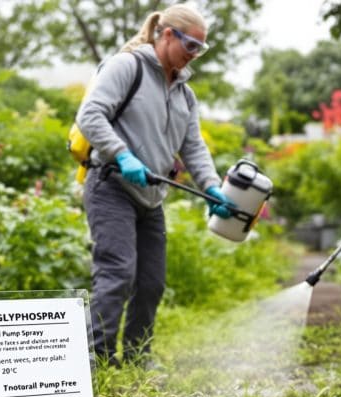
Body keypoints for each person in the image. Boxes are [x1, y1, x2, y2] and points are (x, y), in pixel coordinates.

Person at [75, 3, 234, 366]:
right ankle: (96, 357)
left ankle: (136, 354)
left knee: (151, 281)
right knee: (117, 272)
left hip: (151, 196)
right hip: (111, 184)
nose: (193, 55)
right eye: (190, 45)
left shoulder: (184, 93)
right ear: (167, 35)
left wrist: (211, 186)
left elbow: (193, 145)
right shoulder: (126, 66)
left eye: (200, 49)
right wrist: (122, 154)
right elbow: (89, 115)